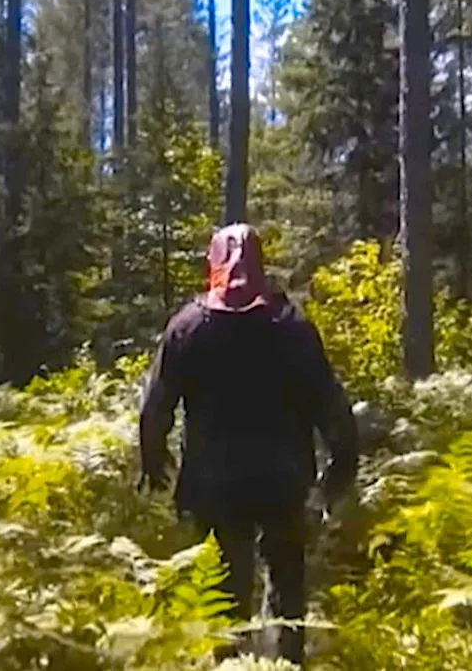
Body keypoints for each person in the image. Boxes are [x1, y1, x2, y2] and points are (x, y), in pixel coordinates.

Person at [137, 223, 359, 665]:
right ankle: (285, 663)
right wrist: (341, 463)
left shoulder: (188, 327)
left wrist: (152, 456)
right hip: (283, 480)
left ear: (212, 265)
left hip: (214, 484)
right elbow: (330, 402)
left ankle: (229, 663)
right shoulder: (291, 326)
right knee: (286, 590)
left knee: (224, 592)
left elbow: (156, 405)